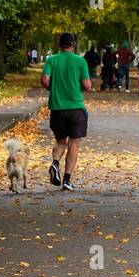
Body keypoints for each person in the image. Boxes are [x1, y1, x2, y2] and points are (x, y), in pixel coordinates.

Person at [41, 32, 91, 192]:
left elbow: (44, 80)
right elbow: (87, 85)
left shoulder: (52, 60)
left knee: (60, 142)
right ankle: (67, 180)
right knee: (74, 143)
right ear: (73, 45)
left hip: (57, 107)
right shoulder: (80, 61)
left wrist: (52, 88)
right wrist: (80, 88)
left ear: (59, 45)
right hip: (75, 107)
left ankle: (55, 163)